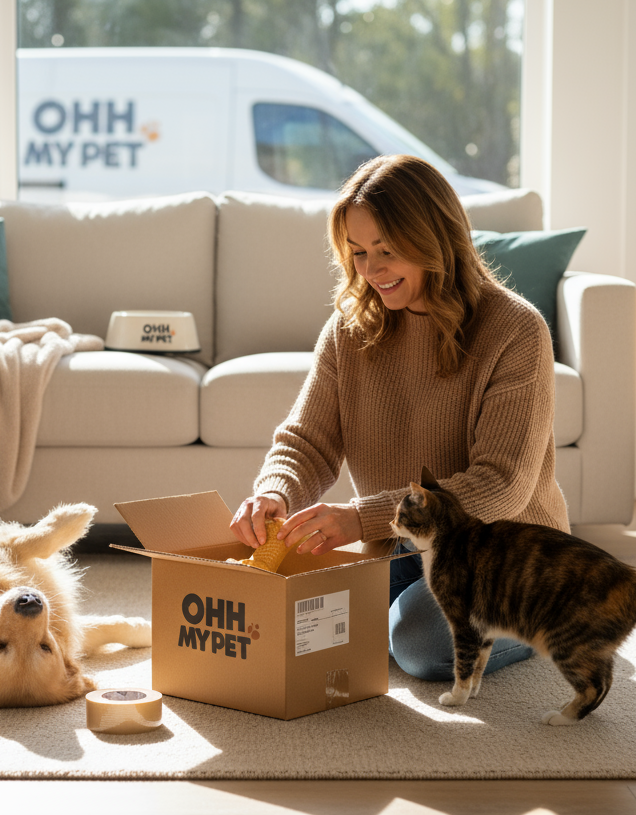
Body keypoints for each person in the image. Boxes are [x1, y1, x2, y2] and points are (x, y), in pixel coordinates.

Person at [228, 153, 570, 681]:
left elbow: (501, 485)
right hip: (401, 549)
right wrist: (276, 490)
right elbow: (307, 441)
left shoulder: (516, 331)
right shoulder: (350, 328)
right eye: (359, 252)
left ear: (436, 238)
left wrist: (358, 517)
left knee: (419, 645)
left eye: (386, 251)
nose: (370, 270)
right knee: (284, 616)